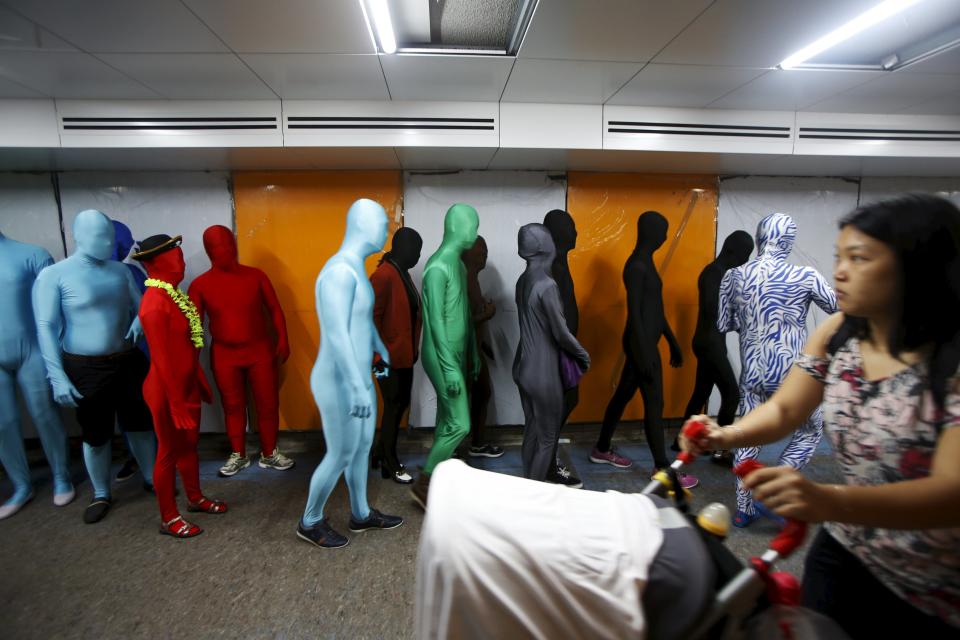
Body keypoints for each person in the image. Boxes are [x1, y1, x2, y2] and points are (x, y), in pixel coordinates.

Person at [682, 194, 960, 637]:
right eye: (839, 256)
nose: (841, 270)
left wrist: (825, 500)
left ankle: (746, 507)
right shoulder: (840, 330)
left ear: (915, 266)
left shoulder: (951, 360)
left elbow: (950, 494)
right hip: (847, 543)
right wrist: (723, 435)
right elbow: (787, 408)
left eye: (860, 258)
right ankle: (755, 501)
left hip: (930, 583)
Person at [33, 209, 156, 524]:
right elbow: (45, 327)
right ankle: (101, 492)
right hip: (86, 367)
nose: (108, 244)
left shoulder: (120, 271)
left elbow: (140, 303)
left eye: (110, 238)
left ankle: (151, 477)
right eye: (101, 238)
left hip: (128, 360)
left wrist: (140, 319)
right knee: (95, 434)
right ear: (79, 237)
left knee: (141, 424)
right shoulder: (54, 275)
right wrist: (57, 376)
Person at [717, 213, 837, 526]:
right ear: (789, 242)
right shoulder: (806, 277)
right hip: (791, 371)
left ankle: (743, 510)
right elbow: (838, 308)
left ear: (759, 239)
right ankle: (773, 489)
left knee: (747, 435)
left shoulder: (733, 276)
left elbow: (724, 324)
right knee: (810, 431)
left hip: (753, 369)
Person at [297, 199, 403, 549]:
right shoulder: (339, 272)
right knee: (341, 452)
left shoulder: (357, 269)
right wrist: (357, 388)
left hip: (358, 377)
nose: (386, 230)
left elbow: (362, 320)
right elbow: (337, 334)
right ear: (363, 225)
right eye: (382, 224)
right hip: (339, 381)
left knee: (361, 448)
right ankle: (310, 520)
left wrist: (379, 348)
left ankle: (360, 513)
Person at [135, 234, 227, 538]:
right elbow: (161, 360)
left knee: (189, 446)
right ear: (153, 264)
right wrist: (174, 403)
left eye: (181, 256)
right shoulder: (153, 305)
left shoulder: (175, 296)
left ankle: (195, 497)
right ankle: (168, 517)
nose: (181, 262)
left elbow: (188, 344)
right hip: (165, 391)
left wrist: (198, 378)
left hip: (185, 385)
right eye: (174, 257)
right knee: (167, 452)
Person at [591, 212, 689, 487]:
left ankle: (601, 448)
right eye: (664, 230)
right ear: (650, 232)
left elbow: (654, 310)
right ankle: (662, 468)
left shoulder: (646, 263)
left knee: (622, 396)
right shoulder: (636, 266)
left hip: (645, 342)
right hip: (640, 343)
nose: (666, 236)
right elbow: (634, 313)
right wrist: (645, 351)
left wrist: (671, 341)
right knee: (654, 404)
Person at [189, 225, 294, 478]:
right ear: (208, 251)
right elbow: (194, 326)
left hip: (259, 350)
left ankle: (269, 452)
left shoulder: (256, 276)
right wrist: (192, 361)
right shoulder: (200, 285)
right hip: (225, 354)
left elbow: (275, 309)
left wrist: (283, 339)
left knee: (268, 403)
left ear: (234, 245)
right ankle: (238, 453)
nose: (222, 250)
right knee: (233, 406)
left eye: (226, 244)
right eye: (215, 247)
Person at [410, 203, 480, 510]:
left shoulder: (459, 265)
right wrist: (450, 367)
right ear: (458, 227)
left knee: (446, 418)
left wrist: (473, 353)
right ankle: (424, 487)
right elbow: (434, 321)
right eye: (473, 227)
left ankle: (440, 480)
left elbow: (463, 312)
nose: (475, 234)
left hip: (457, 352)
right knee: (461, 424)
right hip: (440, 355)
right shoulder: (437, 266)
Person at [0, 232, 74, 519]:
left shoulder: (32, 253)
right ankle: (20, 485)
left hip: (32, 348)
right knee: (3, 423)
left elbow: (56, 307)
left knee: (44, 413)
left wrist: (58, 353)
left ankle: (61, 476)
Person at [513, 223, 590, 481]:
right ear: (544, 247)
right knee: (547, 439)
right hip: (542, 372)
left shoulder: (523, 281)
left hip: (522, 366)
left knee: (531, 432)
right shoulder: (547, 284)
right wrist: (583, 355)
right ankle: (532, 499)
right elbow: (560, 333)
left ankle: (527, 487)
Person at [677, 230, 754, 464]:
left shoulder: (721, 273)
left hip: (710, 340)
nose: (746, 260)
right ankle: (722, 450)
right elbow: (712, 309)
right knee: (732, 394)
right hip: (709, 342)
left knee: (701, 392)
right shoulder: (715, 273)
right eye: (745, 254)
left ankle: (681, 440)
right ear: (733, 250)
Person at [370, 227, 423, 485]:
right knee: (392, 406)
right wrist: (378, 358)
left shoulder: (402, 273)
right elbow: (369, 319)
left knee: (399, 405)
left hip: (403, 357)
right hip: (383, 360)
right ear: (402, 248)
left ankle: (379, 453)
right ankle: (390, 462)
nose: (418, 254)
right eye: (416, 249)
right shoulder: (384, 275)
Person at [461, 235, 503, 460]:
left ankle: (477, 443)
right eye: (481, 250)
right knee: (459, 403)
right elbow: (459, 322)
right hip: (463, 354)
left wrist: (484, 344)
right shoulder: (462, 280)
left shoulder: (473, 279)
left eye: (485, 250)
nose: (485, 254)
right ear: (466, 253)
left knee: (481, 393)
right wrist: (486, 315)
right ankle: (455, 453)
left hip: (475, 351)